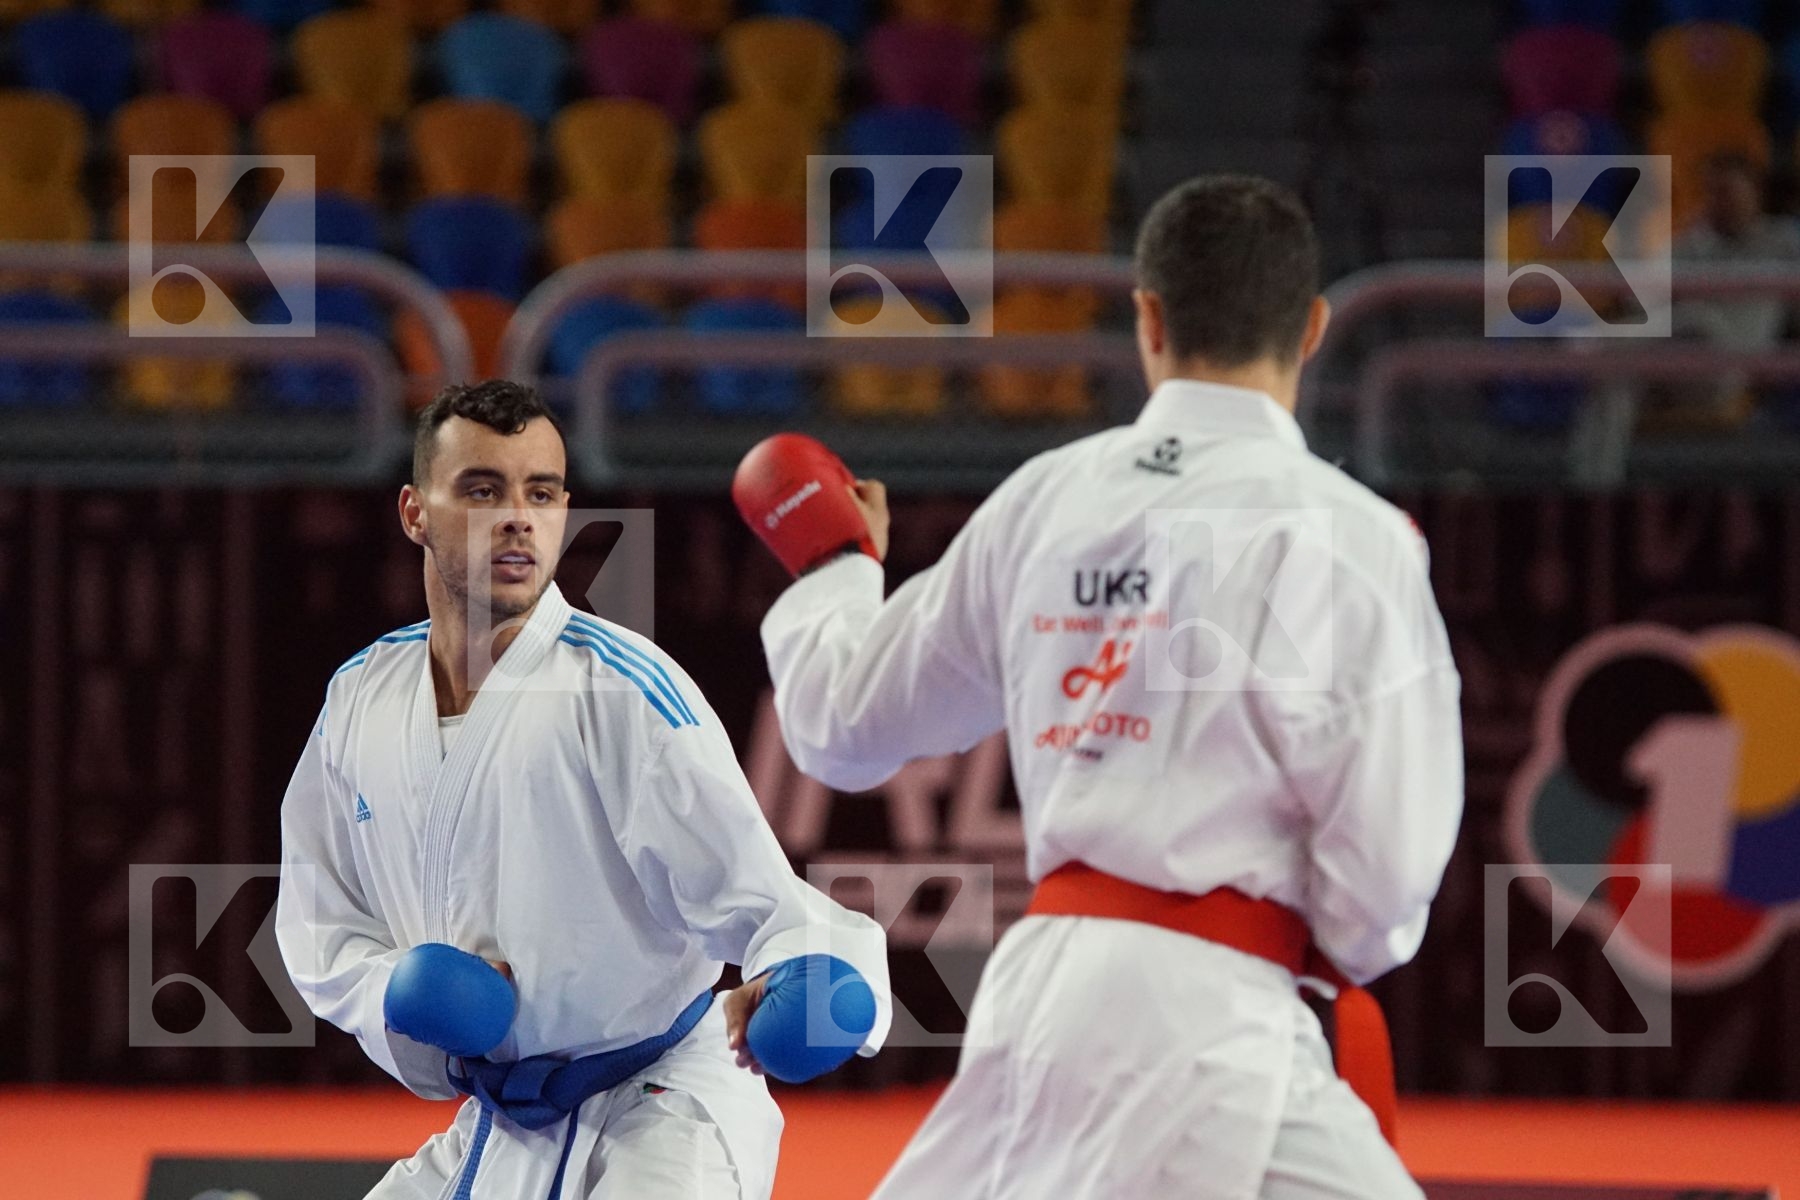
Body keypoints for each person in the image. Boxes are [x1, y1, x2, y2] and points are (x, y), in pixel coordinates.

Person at [738, 176, 1463, 1198]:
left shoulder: (1049, 497)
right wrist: (1326, 942)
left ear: (1148, 317)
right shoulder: (1350, 535)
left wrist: (834, 569)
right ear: (1311, 329)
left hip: (1046, 997)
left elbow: (839, 722)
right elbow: (1386, 876)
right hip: (1216, 1017)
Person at [275, 380, 890, 1200]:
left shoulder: (618, 689)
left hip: (666, 1104)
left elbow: (766, 901)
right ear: (414, 512)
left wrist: (822, 973)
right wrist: (390, 989)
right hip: (505, 1118)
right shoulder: (361, 696)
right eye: (483, 490)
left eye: (542, 492)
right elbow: (318, 919)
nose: (518, 518)